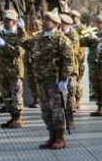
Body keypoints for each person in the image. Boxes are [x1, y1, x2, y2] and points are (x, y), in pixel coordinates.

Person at [31, 11, 73, 150]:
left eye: (47, 20)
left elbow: (68, 61)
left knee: (57, 109)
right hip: (41, 79)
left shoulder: (61, 39)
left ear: (55, 24)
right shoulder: (39, 38)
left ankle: (60, 138)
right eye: (44, 20)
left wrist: (64, 80)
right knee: (46, 110)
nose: (44, 23)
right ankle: (51, 136)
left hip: (54, 80)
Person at [0, 10, 26, 129]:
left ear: (14, 22)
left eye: (9, 21)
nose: (6, 23)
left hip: (14, 71)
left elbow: (18, 52)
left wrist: (4, 45)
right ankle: (12, 117)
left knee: (16, 95)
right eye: (5, 20)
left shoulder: (20, 35)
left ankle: (18, 119)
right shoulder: (2, 35)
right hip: (2, 70)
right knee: (6, 96)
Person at [59, 14, 81, 129]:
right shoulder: (58, 34)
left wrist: (63, 38)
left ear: (66, 24)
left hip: (71, 70)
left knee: (70, 94)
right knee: (60, 95)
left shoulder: (73, 35)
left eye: (61, 24)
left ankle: (70, 119)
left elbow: (74, 51)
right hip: (58, 69)